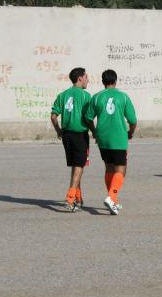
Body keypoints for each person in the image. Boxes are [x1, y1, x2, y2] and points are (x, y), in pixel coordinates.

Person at [85, 69, 137, 215]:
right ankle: (111, 196)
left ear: (103, 81)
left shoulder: (96, 97)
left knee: (109, 167)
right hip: (119, 137)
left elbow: (88, 118)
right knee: (121, 169)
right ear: (115, 81)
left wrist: (94, 131)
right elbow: (133, 120)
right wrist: (131, 132)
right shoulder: (123, 97)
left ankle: (113, 201)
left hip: (103, 137)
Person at [50, 67, 92, 212]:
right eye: (86, 77)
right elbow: (88, 118)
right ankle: (69, 199)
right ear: (80, 78)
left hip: (66, 135)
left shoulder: (62, 95)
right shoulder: (86, 96)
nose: (88, 80)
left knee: (76, 167)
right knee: (79, 166)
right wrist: (95, 131)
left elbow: (53, 116)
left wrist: (58, 131)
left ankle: (78, 199)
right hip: (79, 134)